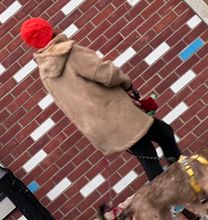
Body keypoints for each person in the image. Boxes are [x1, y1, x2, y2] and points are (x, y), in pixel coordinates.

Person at [20, 18, 198, 219]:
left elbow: (68, 107)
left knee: (148, 151)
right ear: (50, 30)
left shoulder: (45, 73)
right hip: (118, 114)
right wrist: (128, 85)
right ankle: (184, 188)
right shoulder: (69, 52)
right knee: (162, 136)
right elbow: (105, 72)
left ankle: (179, 205)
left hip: (102, 127)